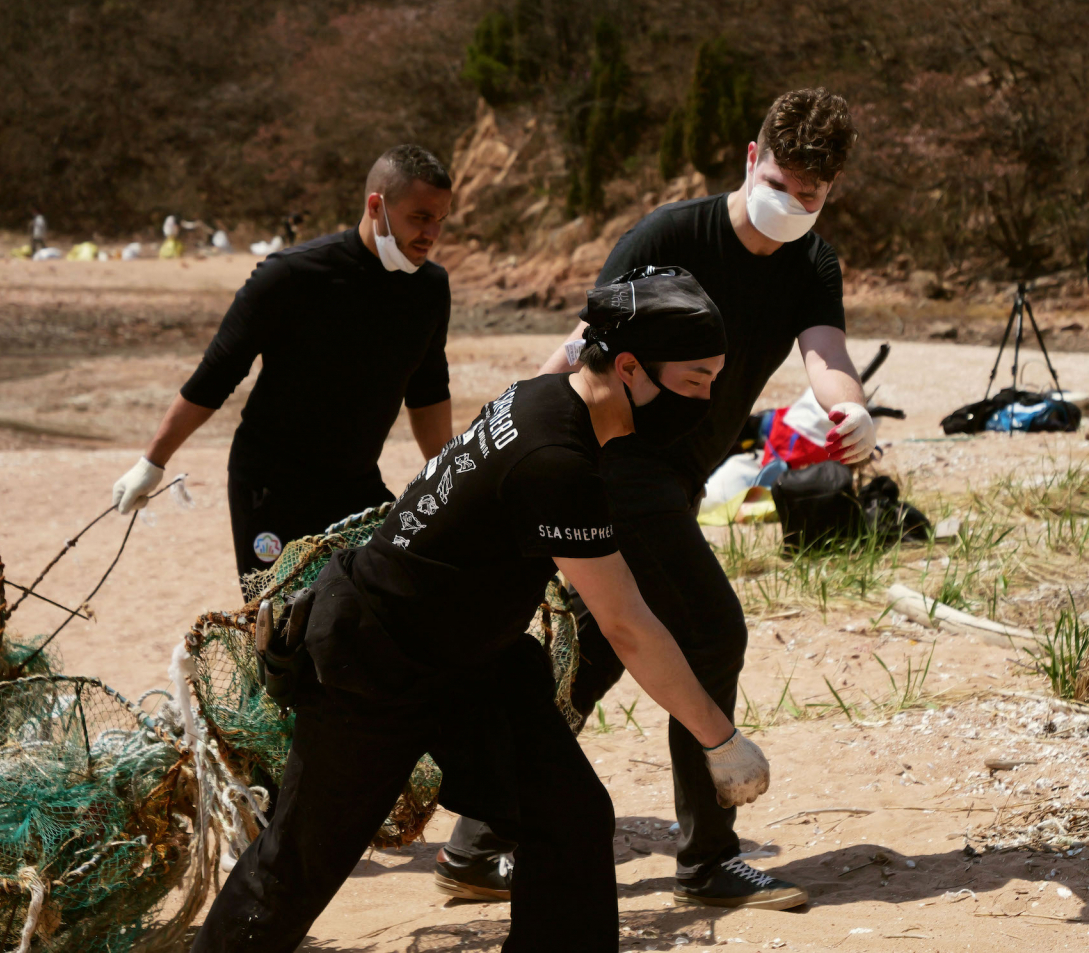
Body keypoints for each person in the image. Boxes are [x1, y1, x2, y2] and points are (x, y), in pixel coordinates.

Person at [189, 266, 770, 953]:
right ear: (631, 366)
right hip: (373, 657)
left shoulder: (548, 399)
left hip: (473, 657)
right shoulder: (555, 456)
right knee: (299, 862)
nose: (706, 398)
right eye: (697, 379)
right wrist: (719, 739)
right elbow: (627, 626)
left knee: (570, 813)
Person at [440, 87, 869, 912]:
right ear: (752, 158)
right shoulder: (670, 235)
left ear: (831, 192)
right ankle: (708, 860)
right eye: (781, 183)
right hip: (618, 464)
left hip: (680, 478)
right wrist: (518, 441)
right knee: (709, 629)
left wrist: (850, 409)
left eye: (812, 195)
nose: (794, 205)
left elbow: (825, 353)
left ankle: (476, 840)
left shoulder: (813, 263)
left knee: (596, 654)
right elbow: (583, 347)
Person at [111, 145, 456, 575]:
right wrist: (152, 462)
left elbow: (427, 391)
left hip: (355, 485)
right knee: (285, 631)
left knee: (385, 608)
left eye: (440, 220)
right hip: (271, 489)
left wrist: (449, 483)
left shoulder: (429, 289)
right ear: (376, 206)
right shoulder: (291, 275)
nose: (431, 234)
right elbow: (217, 373)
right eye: (420, 217)